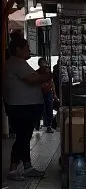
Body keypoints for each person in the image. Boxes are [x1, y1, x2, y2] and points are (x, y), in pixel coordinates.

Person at [3, 38, 50, 180]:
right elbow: (33, 80)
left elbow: (31, 76)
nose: (28, 50)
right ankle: (13, 169)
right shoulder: (17, 63)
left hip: (22, 106)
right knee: (22, 137)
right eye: (26, 48)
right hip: (21, 107)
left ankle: (27, 166)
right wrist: (48, 75)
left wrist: (41, 74)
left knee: (25, 136)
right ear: (18, 49)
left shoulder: (17, 64)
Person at [37, 58, 57, 133]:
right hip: (40, 93)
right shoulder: (37, 72)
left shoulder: (49, 73)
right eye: (42, 62)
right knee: (42, 109)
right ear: (39, 64)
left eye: (44, 62)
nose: (43, 64)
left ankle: (49, 125)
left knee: (49, 108)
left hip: (48, 92)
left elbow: (52, 83)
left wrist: (54, 94)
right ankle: (43, 124)